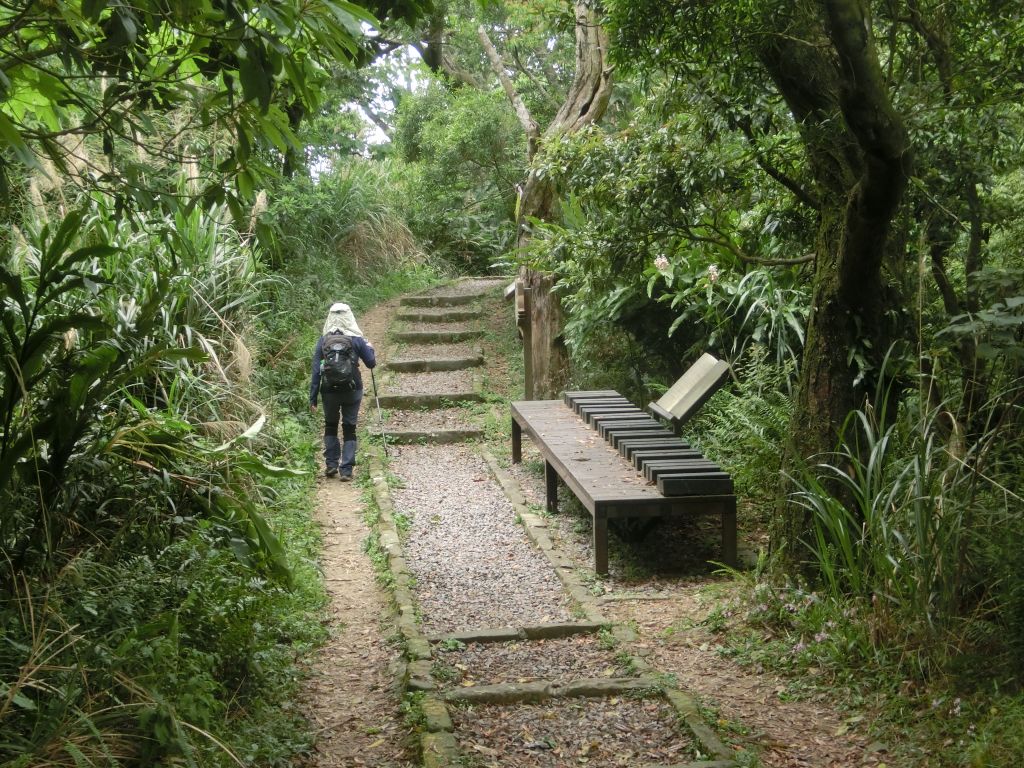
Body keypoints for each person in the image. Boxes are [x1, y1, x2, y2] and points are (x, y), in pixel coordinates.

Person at [309, 302, 376, 480]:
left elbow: (316, 370)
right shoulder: (356, 339)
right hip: (352, 389)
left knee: (330, 425)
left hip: (329, 390)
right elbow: (371, 363)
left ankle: (331, 464)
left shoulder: (324, 341)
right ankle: (346, 469)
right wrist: (370, 348)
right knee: (349, 427)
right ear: (350, 317)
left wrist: (313, 398)